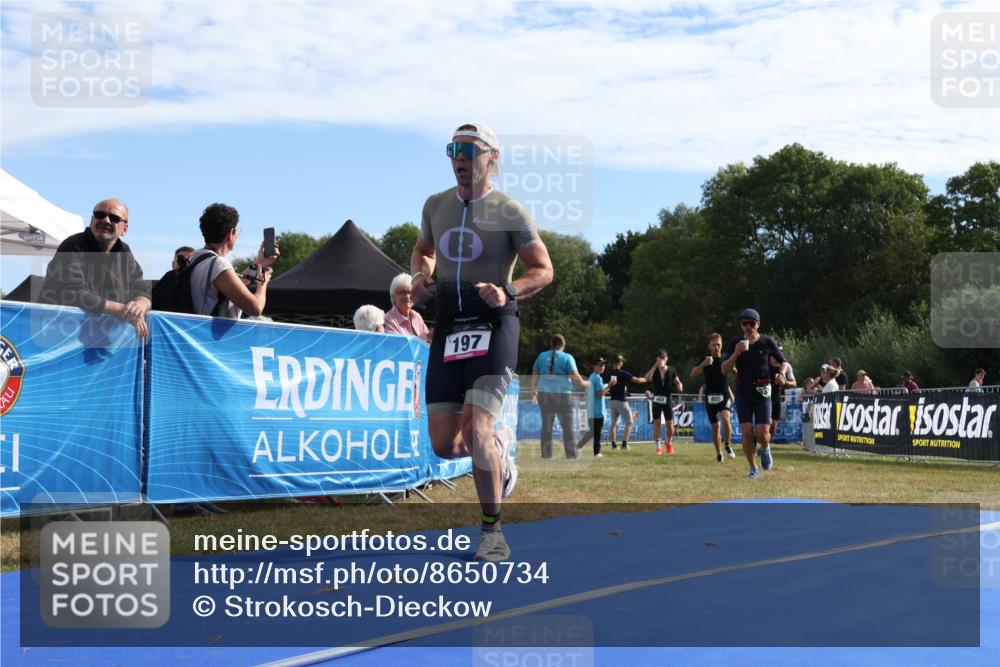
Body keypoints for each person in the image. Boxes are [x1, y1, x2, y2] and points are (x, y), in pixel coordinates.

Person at [409, 122, 553, 562]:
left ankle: (492, 533)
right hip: (449, 328)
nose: (460, 158)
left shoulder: (510, 210)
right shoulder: (435, 205)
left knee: (477, 430)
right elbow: (423, 251)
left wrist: (508, 290)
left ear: (493, 157)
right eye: (453, 149)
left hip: (493, 326)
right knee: (443, 444)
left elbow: (543, 269)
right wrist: (419, 276)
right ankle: (499, 449)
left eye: (469, 150)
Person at [38, 198, 151, 337]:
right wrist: (124, 310)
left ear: (125, 229)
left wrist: (140, 305)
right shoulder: (73, 246)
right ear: (92, 220)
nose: (106, 220)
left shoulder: (124, 252)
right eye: (100, 215)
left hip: (106, 340)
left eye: (114, 218)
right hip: (61, 335)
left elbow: (143, 290)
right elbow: (72, 294)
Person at [722, 308, 789, 480]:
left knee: (761, 434)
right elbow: (724, 369)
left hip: (763, 391)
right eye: (744, 323)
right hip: (743, 390)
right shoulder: (735, 343)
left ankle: (765, 447)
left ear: (757, 324)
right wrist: (736, 353)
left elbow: (784, 362)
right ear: (741, 325)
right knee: (746, 431)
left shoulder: (766, 341)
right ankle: (753, 468)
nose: (748, 326)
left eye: (751, 323)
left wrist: (782, 374)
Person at [187, 203, 280, 319]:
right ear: (231, 233)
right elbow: (256, 308)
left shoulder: (195, 258)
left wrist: (259, 264)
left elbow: (233, 286)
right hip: (209, 330)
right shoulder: (218, 264)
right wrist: (263, 282)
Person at [531, 334, 590, 459]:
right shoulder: (567, 357)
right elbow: (575, 378)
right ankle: (572, 455)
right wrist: (586, 383)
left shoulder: (541, 356)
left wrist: (533, 390)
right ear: (561, 345)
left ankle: (546, 455)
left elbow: (535, 375)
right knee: (568, 426)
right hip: (563, 395)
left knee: (547, 426)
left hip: (544, 394)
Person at [691, 333, 735, 462]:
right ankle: (719, 453)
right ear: (709, 346)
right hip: (710, 397)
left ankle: (727, 444)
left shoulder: (726, 358)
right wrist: (703, 364)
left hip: (724, 396)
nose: (717, 347)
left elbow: (736, 373)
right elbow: (693, 374)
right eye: (714, 345)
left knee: (726, 418)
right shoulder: (705, 359)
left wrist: (733, 369)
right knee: (715, 427)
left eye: (719, 344)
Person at [644, 350, 683, 455]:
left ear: (666, 359)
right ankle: (658, 447)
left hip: (667, 400)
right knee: (657, 424)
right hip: (657, 399)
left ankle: (668, 442)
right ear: (657, 359)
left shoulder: (671, 370)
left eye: (663, 358)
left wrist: (679, 386)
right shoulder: (655, 370)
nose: (661, 360)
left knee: (670, 425)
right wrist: (655, 365)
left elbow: (677, 381)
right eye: (659, 358)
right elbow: (647, 378)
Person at [606, 355, 649, 450]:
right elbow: (637, 380)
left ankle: (614, 445)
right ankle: (624, 444)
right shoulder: (623, 373)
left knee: (613, 424)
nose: (622, 363)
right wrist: (647, 379)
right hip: (621, 401)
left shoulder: (609, 374)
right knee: (630, 422)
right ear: (619, 363)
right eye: (621, 361)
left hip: (612, 401)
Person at [576, 358, 614, 458]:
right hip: (597, 410)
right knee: (596, 433)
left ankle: (578, 447)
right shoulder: (597, 378)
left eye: (603, 365)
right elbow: (599, 394)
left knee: (592, 432)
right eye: (600, 365)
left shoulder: (591, 377)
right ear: (595, 366)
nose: (602, 367)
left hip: (592, 410)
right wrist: (609, 386)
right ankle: (596, 452)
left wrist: (606, 386)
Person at [384, 273, 430, 340]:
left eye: (411, 292)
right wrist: (427, 336)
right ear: (394, 296)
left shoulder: (416, 316)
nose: (408, 296)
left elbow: (428, 341)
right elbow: (400, 345)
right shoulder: (388, 319)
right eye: (403, 292)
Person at [768, 346, 797, 441]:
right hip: (763, 396)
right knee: (763, 424)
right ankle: (756, 441)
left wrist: (785, 382)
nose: (779, 353)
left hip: (776, 396)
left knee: (773, 424)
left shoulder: (786, 365)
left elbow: (794, 383)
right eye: (777, 351)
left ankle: (766, 445)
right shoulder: (765, 362)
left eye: (781, 351)